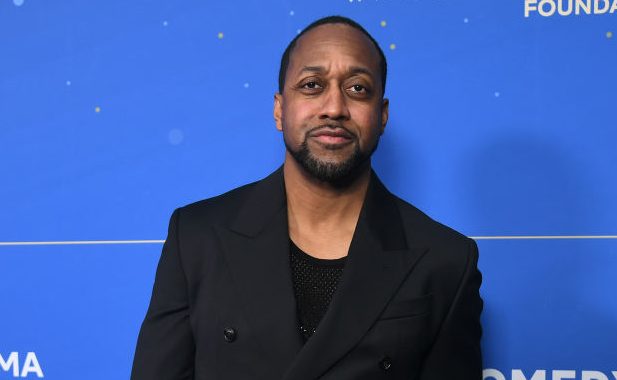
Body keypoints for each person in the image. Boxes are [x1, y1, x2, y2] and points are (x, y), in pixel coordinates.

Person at [131, 15, 482, 380]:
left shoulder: (446, 261)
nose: (334, 108)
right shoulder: (198, 237)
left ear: (382, 115)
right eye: (312, 85)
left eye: (358, 88)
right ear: (280, 110)